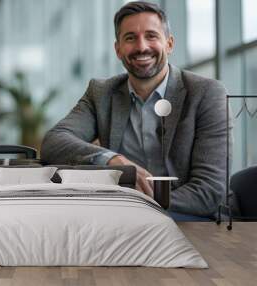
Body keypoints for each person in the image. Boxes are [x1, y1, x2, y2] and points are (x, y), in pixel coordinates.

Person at [41, 1, 230, 219]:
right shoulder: (102, 93)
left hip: (193, 219)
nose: (141, 47)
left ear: (169, 44)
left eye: (151, 36)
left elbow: (209, 191)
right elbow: (54, 141)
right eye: (130, 38)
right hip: (123, 220)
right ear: (118, 49)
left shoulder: (206, 93)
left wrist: (137, 206)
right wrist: (112, 160)